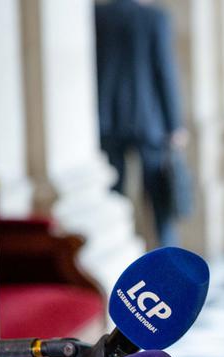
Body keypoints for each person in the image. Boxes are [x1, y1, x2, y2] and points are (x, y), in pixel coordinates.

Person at [94, 0, 187, 247]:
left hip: (108, 119)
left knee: (114, 196)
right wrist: (174, 124)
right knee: (159, 200)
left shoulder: (97, 15)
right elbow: (164, 71)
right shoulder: (155, 18)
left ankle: (116, 254)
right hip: (148, 121)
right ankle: (167, 258)